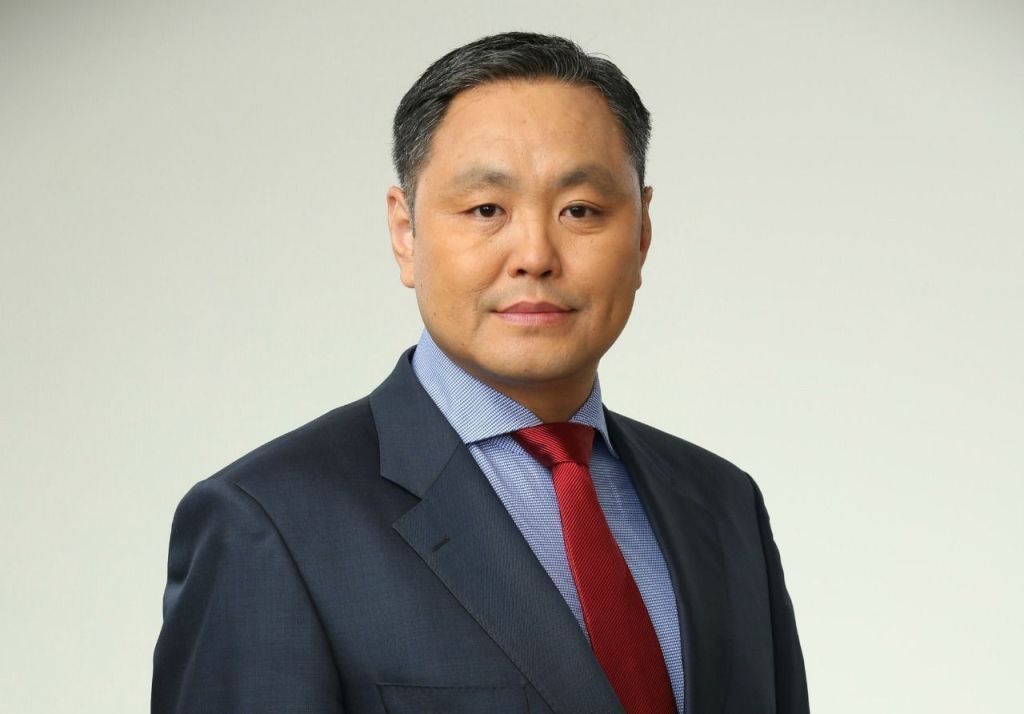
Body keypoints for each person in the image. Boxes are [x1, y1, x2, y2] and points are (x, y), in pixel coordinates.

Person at [152, 32, 809, 714]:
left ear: (641, 233)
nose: (535, 255)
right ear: (405, 233)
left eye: (581, 210)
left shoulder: (723, 504)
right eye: (486, 210)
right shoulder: (269, 523)